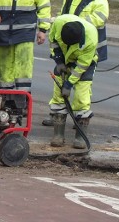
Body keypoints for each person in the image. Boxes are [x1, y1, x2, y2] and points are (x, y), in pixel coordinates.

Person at [42, 0, 109, 126]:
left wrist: (74, 23)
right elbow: (64, 14)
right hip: (67, 46)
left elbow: (100, 19)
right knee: (59, 81)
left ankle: (81, 118)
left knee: (81, 86)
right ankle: (57, 116)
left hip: (86, 47)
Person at [48, 14, 98, 149]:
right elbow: (53, 41)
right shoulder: (58, 23)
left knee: (81, 98)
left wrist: (69, 84)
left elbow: (82, 65)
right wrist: (58, 60)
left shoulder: (91, 38)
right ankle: (58, 135)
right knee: (58, 96)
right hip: (64, 60)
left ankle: (80, 137)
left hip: (83, 64)